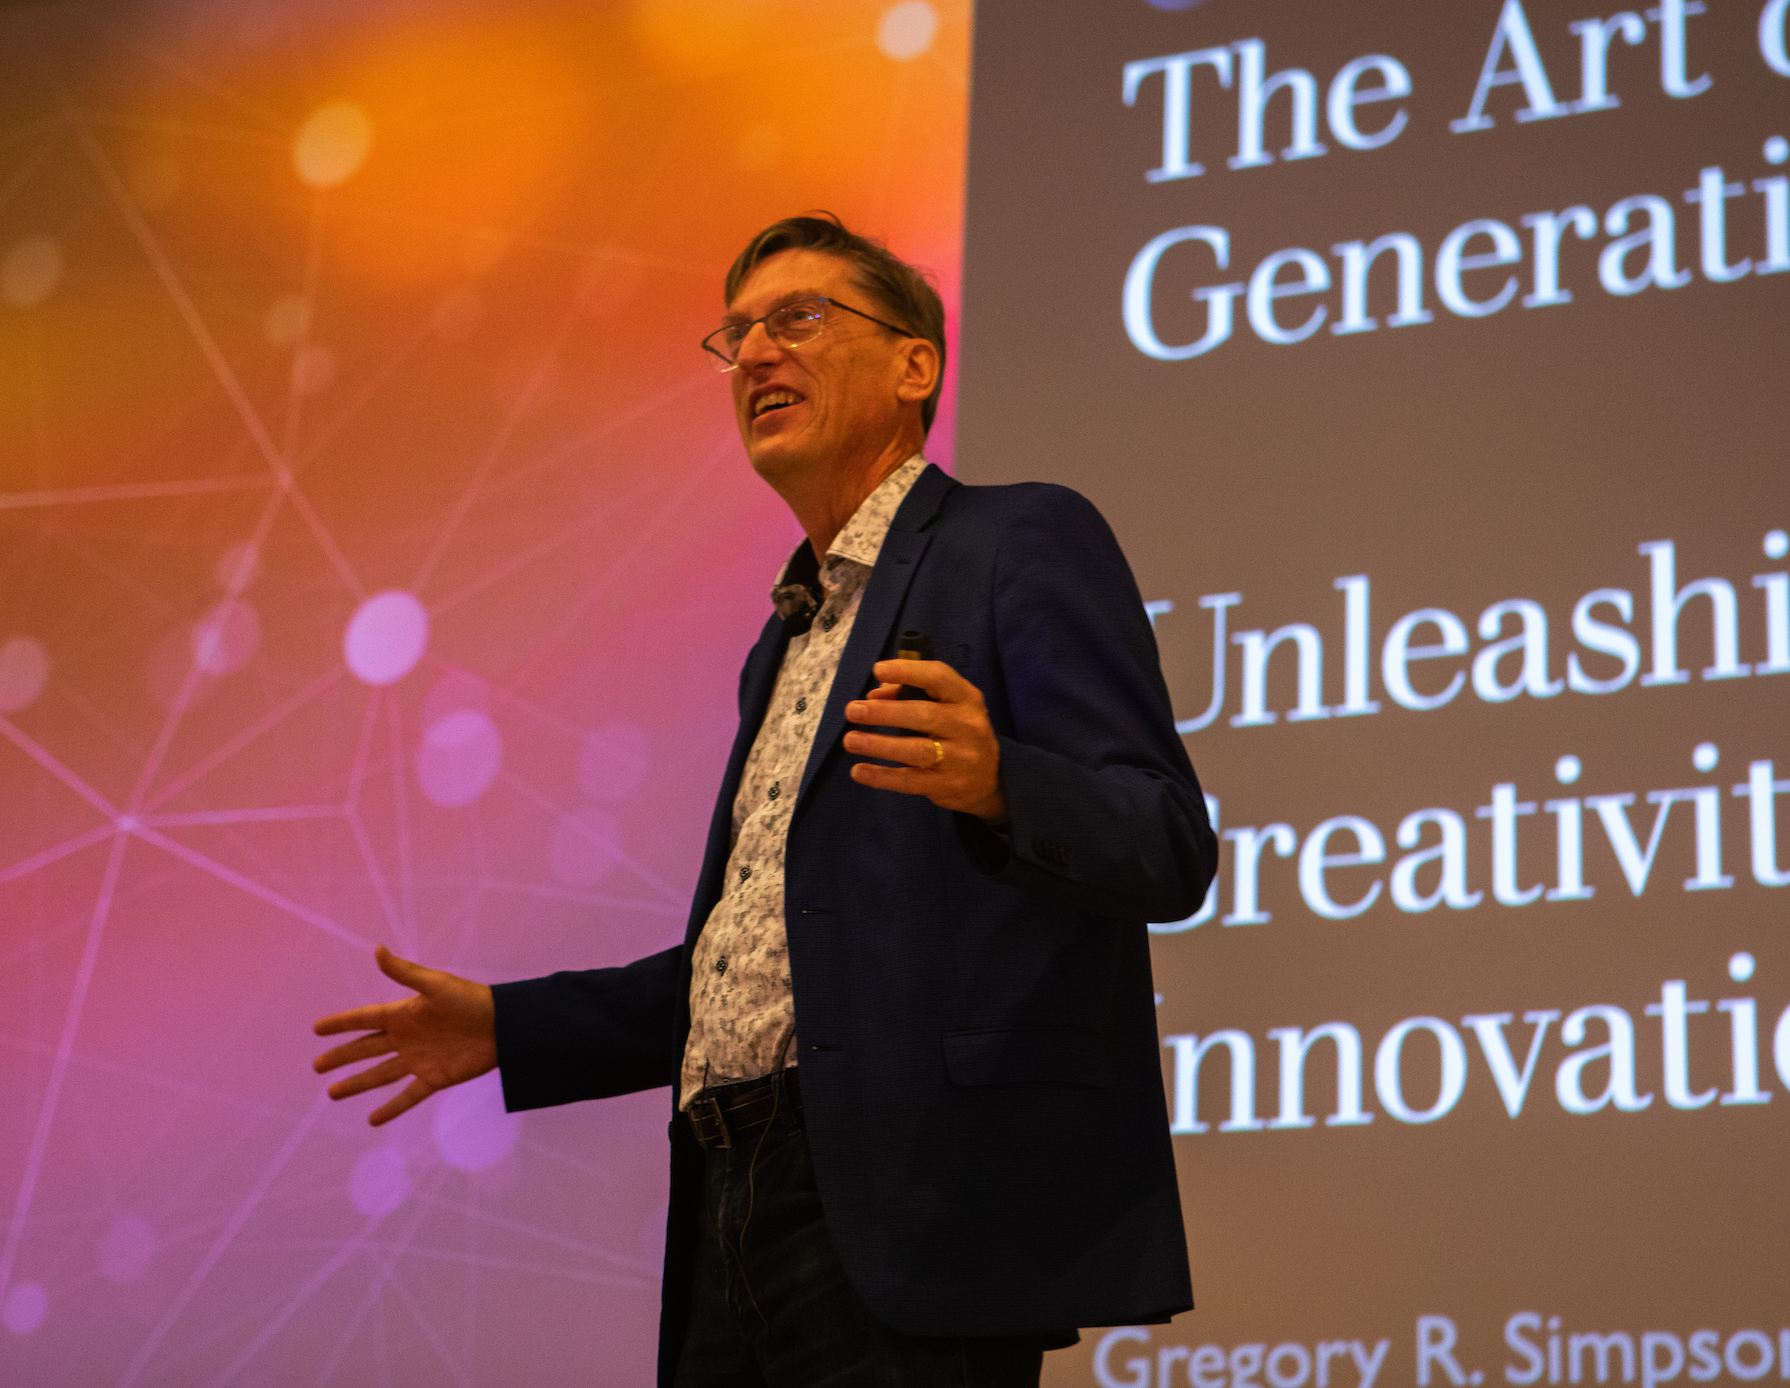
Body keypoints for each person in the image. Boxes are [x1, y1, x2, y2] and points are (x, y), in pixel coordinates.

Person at [312, 214, 1215, 1386]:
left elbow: (1166, 843)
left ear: (915, 365)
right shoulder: (783, 637)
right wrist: (514, 1028)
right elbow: (766, 959)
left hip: (915, 1200)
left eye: (797, 319)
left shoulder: (1015, 539)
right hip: (728, 1202)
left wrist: (1003, 783)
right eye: (734, 335)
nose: (752, 356)